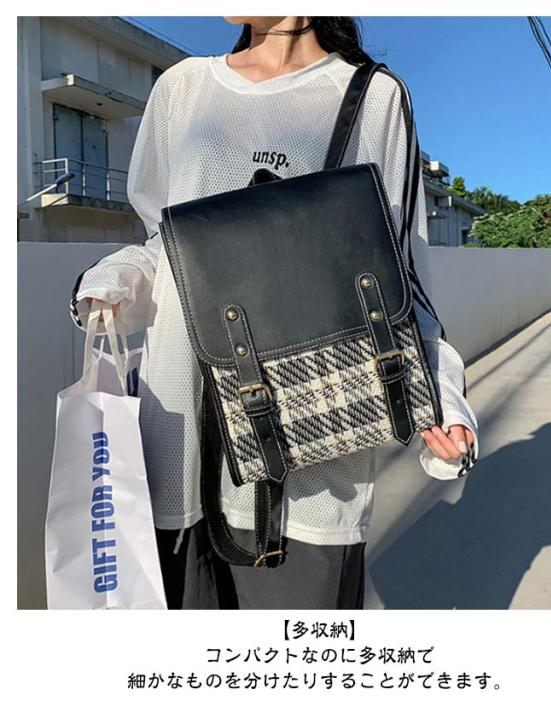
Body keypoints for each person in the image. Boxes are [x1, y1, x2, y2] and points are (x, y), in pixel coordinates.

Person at [70, 16, 479, 610]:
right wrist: (116, 279)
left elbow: (399, 272)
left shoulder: (373, 95)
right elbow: (166, 242)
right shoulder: (183, 88)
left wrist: (442, 395)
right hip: (180, 431)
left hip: (312, 445)